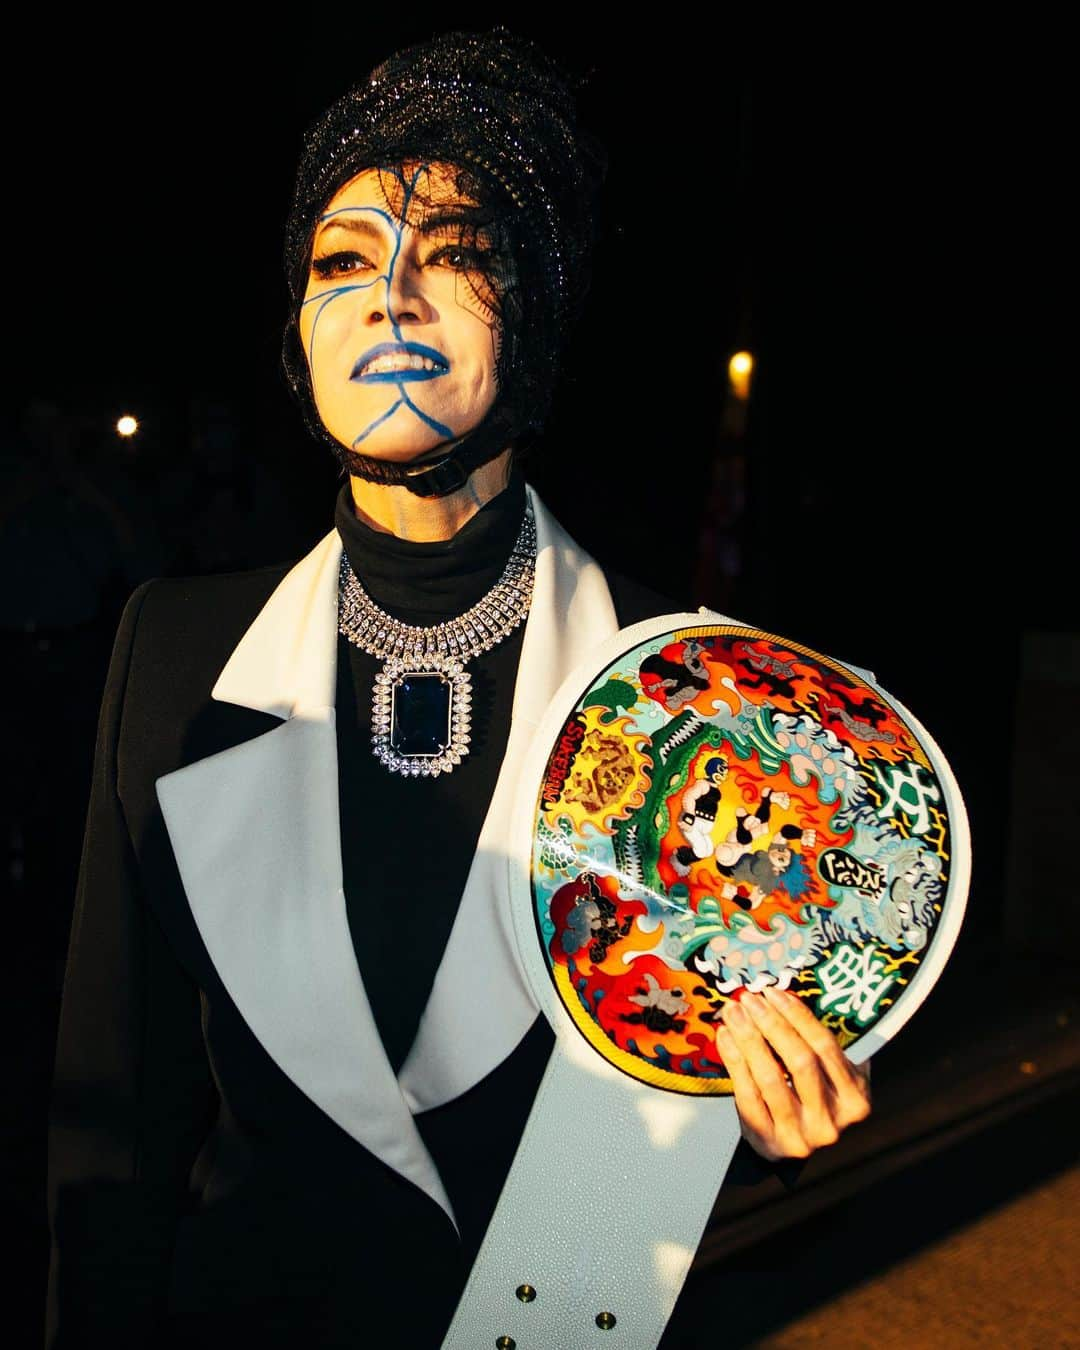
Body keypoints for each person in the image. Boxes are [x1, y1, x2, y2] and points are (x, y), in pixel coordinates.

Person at [44, 27, 871, 1349]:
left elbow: (683, 1154)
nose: (390, 297)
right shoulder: (176, 650)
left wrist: (767, 1117)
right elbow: (115, 1137)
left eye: (455, 255)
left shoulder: (694, 690)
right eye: (340, 262)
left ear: (530, 318)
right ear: (298, 330)